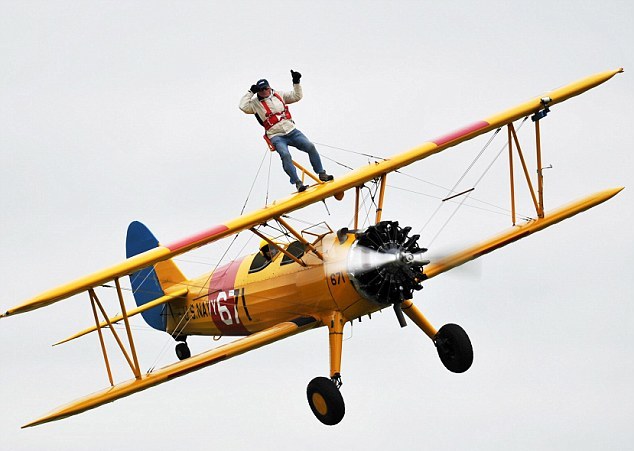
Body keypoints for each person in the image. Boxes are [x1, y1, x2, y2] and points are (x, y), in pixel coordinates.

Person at [239, 70, 333, 192]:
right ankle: (298, 182)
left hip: (292, 131)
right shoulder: (254, 104)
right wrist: (250, 92)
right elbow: (242, 106)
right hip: (276, 135)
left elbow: (296, 96)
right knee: (285, 154)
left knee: (310, 146)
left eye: (266, 88)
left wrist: (296, 82)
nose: (264, 91)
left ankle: (321, 173)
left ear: (269, 87)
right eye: (261, 90)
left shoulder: (279, 95)